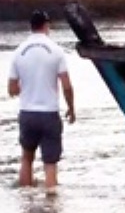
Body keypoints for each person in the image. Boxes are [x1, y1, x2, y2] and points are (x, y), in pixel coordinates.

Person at [8, 10, 75, 193]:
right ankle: (51, 205)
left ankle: (26, 202)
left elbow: (12, 89)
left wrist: (26, 88)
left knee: (26, 158)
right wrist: (71, 108)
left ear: (31, 27)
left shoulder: (18, 51)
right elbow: (67, 85)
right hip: (49, 114)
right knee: (50, 163)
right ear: (46, 26)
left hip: (28, 113)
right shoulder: (56, 51)